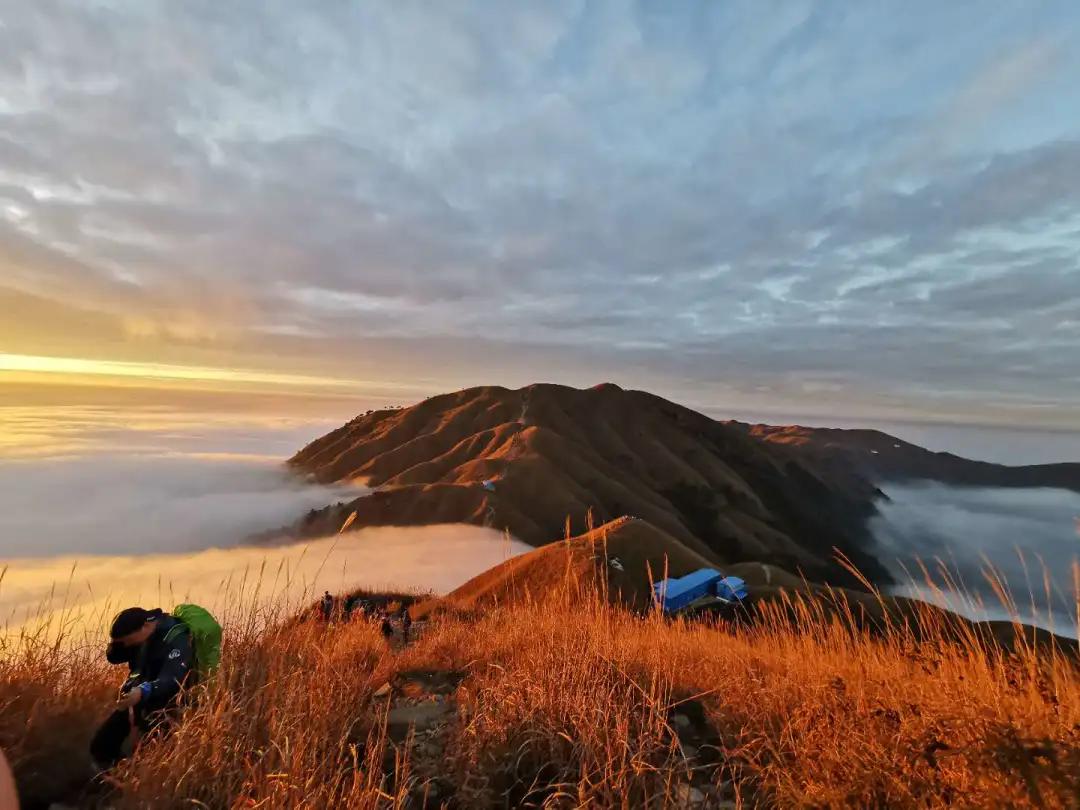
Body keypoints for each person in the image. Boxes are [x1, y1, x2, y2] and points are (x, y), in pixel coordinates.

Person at [90, 607, 195, 769]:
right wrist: (116, 643)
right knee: (101, 746)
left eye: (131, 641)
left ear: (146, 626)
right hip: (138, 695)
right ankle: (118, 777)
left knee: (153, 757)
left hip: (169, 702)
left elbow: (171, 678)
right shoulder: (141, 633)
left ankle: (138, 780)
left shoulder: (176, 638)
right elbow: (114, 658)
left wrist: (143, 690)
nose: (129, 646)